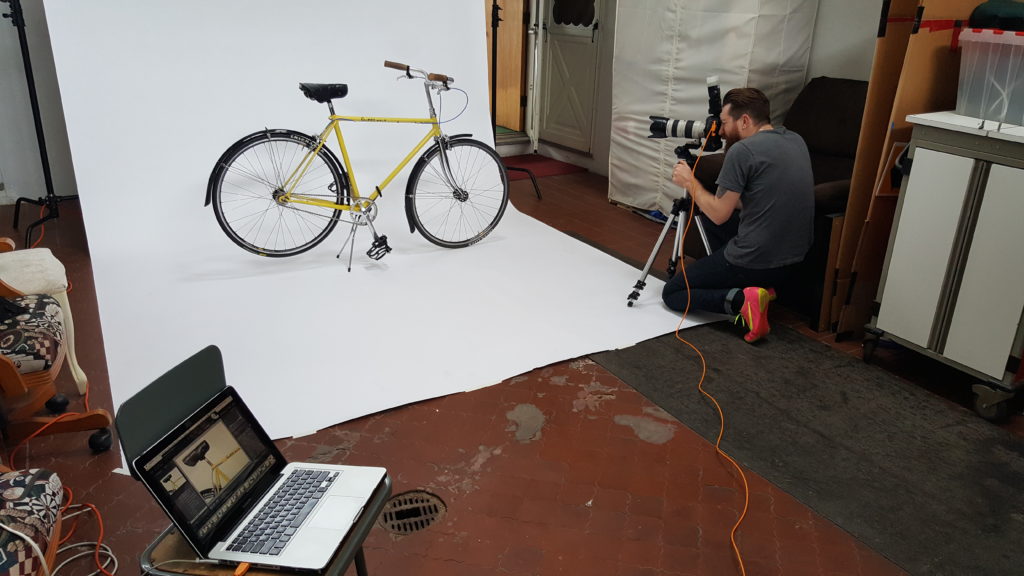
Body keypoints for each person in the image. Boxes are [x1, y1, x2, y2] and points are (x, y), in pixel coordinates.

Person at [661, 87, 814, 343]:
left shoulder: (742, 151)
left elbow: (720, 214)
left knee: (674, 293)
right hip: (794, 260)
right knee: (711, 224)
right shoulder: (795, 139)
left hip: (757, 261)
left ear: (744, 121)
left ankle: (743, 301)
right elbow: (764, 196)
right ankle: (763, 289)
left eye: (724, 123)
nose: (720, 131)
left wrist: (689, 182)